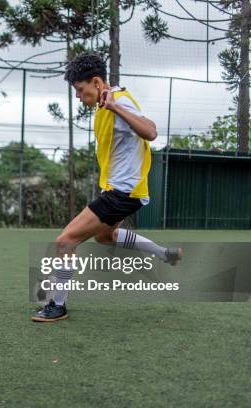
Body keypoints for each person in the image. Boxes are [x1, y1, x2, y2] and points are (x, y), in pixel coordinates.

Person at [32, 52, 182, 323]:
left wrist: (114, 107)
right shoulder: (109, 103)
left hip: (122, 194)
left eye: (80, 89)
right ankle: (164, 254)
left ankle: (57, 305)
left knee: (65, 242)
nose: (78, 96)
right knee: (105, 238)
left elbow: (151, 131)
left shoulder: (118, 102)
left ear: (97, 82)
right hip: (121, 192)